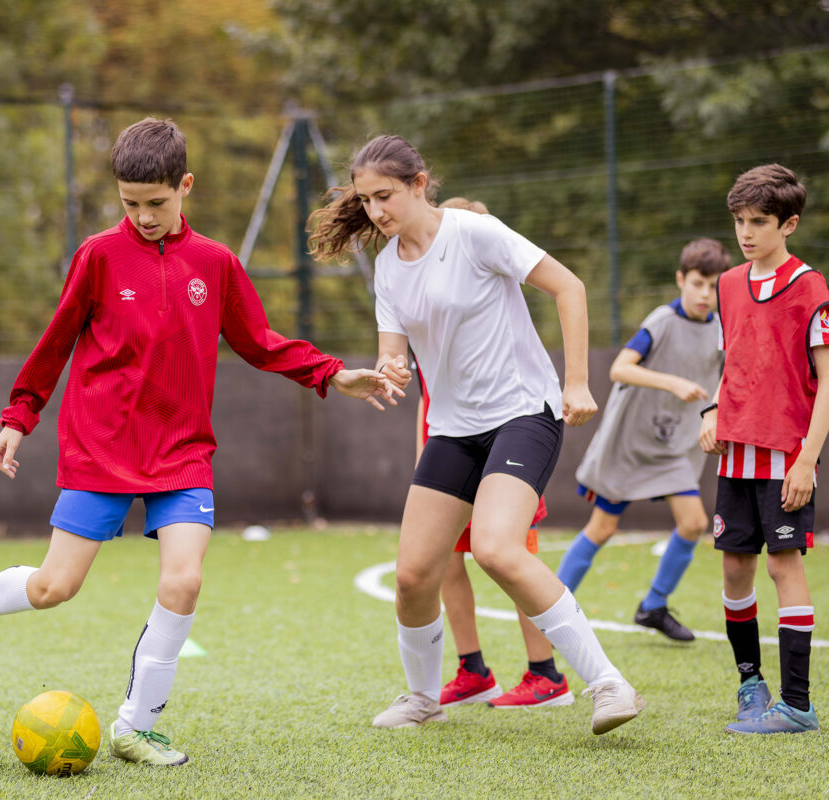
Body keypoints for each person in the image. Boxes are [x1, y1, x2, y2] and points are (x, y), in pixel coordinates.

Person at [0, 118, 397, 766]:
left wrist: (330, 372)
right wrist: (17, 416)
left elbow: (258, 340)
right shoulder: (97, 256)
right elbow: (55, 342)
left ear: (185, 187)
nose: (142, 217)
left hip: (182, 453)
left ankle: (135, 726)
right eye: (130, 204)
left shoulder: (216, 264)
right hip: (100, 448)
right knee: (56, 587)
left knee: (185, 580)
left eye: (156, 204)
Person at [308, 134, 644, 735]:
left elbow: (570, 287)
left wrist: (576, 382)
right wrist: (385, 372)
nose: (376, 211)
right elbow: (395, 352)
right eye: (366, 201)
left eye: (385, 195)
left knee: (495, 548)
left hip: (522, 413)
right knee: (414, 574)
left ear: (419, 184)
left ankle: (608, 683)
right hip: (454, 429)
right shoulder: (387, 267)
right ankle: (422, 698)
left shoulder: (476, 234)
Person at [425, 198, 572, 710]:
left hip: (505, 439)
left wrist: (576, 383)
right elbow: (422, 394)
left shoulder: (490, 291)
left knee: (510, 555)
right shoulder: (428, 300)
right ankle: (473, 670)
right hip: (449, 448)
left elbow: (566, 286)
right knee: (440, 560)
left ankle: (546, 673)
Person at [700, 163, 828, 734]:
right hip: (734, 452)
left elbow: (827, 381)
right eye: (739, 221)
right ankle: (751, 685)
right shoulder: (727, 284)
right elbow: (732, 360)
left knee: (782, 566)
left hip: (784, 454)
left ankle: (797, 705)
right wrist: (711, 409)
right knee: (734, 567)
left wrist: (806, 460)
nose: (746, 232)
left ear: (789, 223)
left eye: (758, 222)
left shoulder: (811, 288)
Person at [557, 238, 732, 641]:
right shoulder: (661, 321)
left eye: (713, 286)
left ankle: (653, 605)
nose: (706, 294)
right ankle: (553, 607)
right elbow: (620, 369)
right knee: (601, 529)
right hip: (630, 444)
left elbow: (729, 373)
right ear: (680, 280)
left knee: (694, 523)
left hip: (674, 446)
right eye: (698, 283)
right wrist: (672, 383)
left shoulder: (722, 329)